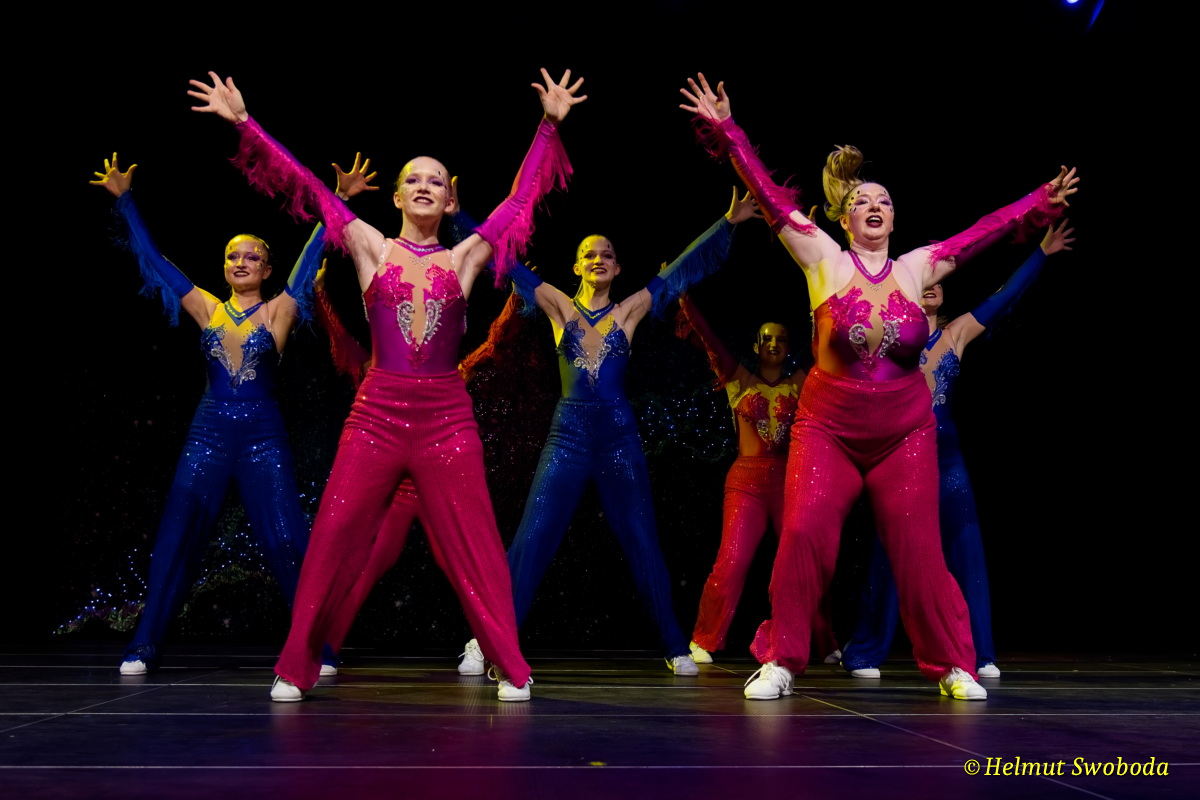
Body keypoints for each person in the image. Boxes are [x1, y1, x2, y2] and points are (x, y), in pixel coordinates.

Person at [189, 68, 584, 702]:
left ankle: (511, 664)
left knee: (478, 545)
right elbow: (306, 185)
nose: (424, 186)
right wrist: (244, 122)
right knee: (334, 537)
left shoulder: (464, 258)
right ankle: (297, 662)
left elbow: (518, 203)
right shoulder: (370, 246)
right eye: (413, 179)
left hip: (447, 419)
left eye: (437, 181)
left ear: (450, 201)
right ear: (397, 196)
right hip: (376, 416)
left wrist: (548, 127)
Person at [679, 73, 1077, 700]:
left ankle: (952, 664)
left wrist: (1037, 201)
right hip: (828, 427)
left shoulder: (918, 267)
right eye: (863, 199)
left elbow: (984, 232)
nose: (875, 206)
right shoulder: (822, 258)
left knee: (919, 547)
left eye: (885, 200)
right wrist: (729, 130)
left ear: (893, 216)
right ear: (844, 216)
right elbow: (769, 196)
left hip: (904, 431)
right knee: (805, 534)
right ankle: (782, 658)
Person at [457, 188, 760, 677]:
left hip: (619, 438)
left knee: (642, 539)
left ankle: (674, 644)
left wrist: (727, 222)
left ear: (618, 268)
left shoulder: (630, 311)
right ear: (576, 266)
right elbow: (503, 259)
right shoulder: (558, 306)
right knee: (532, 538)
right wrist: (460, 216)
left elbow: (682, 267)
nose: (598, 260)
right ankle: (486, 640)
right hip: (569, 437)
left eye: (607, 255)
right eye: (589, 255)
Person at [90, 153, 358, 675]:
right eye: (233, 255)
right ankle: (144, 644)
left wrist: (338, 201)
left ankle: (316, 646)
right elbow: (157, 262)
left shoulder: (280, 310)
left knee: (287, 539)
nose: (240, 262)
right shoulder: (207, 308)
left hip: (263, 438)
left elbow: (311, 257)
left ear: (266, 269)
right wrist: (125, 202)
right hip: (208, 435)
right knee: (177, 536)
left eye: (252, 257)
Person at [841, 221, 1075, 679]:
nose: (931, 288)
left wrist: (1041, 254)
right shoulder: (886, 339)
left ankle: (980, 652)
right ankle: (864, 651)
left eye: (938, 283)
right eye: (923, 282)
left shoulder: (956, 334)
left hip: (947, 461)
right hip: (901, 461)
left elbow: (1002, 298)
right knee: (889, 555)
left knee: (967, 551)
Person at [676, 297, 843, 665]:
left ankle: (823, 639)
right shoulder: (738, 379)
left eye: (780, 339)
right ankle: (704, 637)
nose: (773, 344)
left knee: (804, 561)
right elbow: (710, 341)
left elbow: (826, 349)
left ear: (789, 347)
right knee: (732, 560)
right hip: (745, 483)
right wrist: (687, 302)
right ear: (756, 346)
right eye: (766, 338)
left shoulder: (804, 383)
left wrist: (825, 305)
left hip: (789, 481)